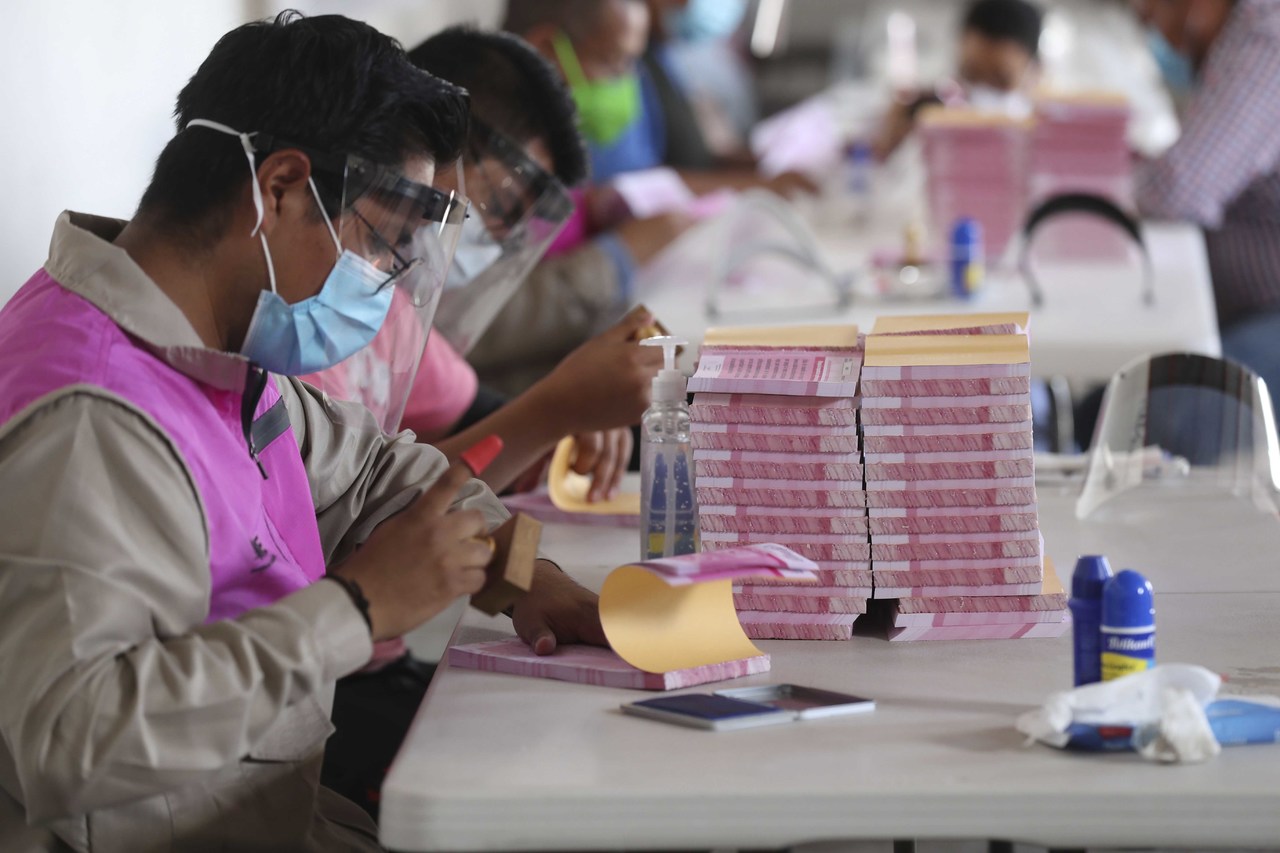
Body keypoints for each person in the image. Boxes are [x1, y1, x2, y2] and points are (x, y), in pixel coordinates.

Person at [0, 13, 602, 851]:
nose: (382, 284)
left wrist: (524, 570)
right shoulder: (89, 417)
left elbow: (374, 472)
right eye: (381, 244)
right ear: (279, 187)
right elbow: (70, 737)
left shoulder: (208, 350)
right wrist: (357, 607)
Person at [1133, 0, 1280, 412]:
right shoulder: (1236, 35)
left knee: (1154, 412)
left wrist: (1133, 179)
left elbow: (1177, 189)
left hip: (1268, 316)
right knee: (1109, 405)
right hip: (1237, 312)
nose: (1144, 16)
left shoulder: (1266, 37)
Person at [874, 0, 1044, 160]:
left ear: (1033, 71)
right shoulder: (921, 112)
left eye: (999, 79)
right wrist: (890, 139)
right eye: (972, 75)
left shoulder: (1041, 133)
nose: (981, 89)